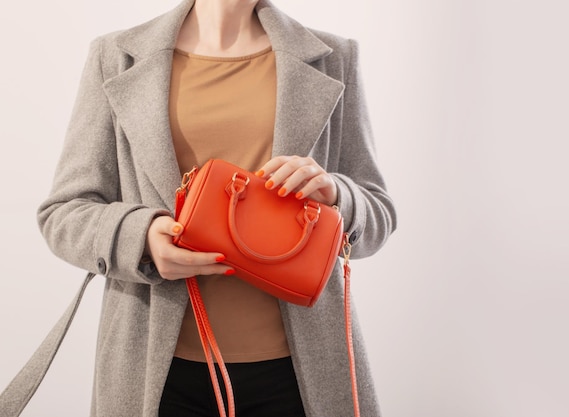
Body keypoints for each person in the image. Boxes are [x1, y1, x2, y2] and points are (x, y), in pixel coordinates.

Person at [36, 0, 397, 415]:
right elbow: (64, 211)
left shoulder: (335, 58)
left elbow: (378, 214)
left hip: (303, 373)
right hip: (156, 370)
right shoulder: (115, 56)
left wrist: (335, 193)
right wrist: (143, 238)